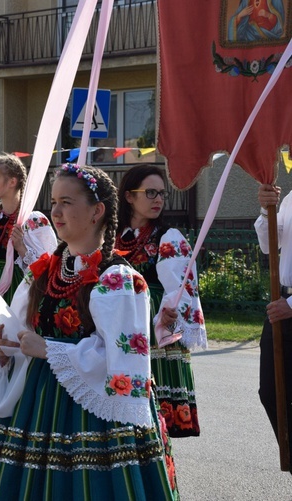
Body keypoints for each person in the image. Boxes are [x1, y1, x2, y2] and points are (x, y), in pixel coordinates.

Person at [0, 164, 179, 500]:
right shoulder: (45, 271)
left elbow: (121, 364)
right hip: (36, 403)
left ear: (97, 211)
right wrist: (5, 348)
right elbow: (23, 333)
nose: (56, 211)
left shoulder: (119, 280)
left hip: (97, 415)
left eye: (66, 202)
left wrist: (48, 349)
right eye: (54, 202)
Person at [115, 164, 207, 438]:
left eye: (162, 194)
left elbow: (181, 287)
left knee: (154, 422)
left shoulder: (168, 238)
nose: (158, 200)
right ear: (129, 196)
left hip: (152, 327)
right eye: (151, 192)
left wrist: (169, 314)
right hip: (118, 325)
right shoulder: (112, 237)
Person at [0, 153, 57, 386]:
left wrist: (23, 250)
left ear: (12, 182)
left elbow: (49, 266)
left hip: (17, 293)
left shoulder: (34, 221)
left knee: (14, 361)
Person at [255, 182, 292, 470]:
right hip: (283, 304)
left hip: (288, 307)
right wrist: (267, 209)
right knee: (271, 392)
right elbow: (270, 245)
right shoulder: (291, 198)